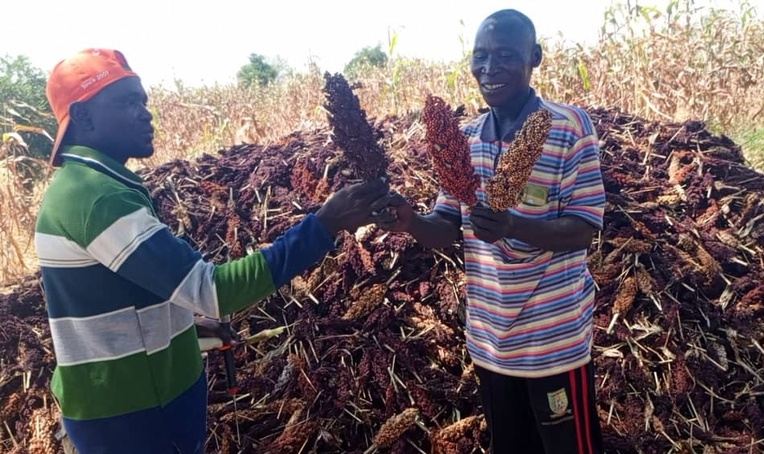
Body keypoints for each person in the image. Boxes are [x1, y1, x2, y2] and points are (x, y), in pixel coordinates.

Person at [35, 48, 389, 454]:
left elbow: (121, 296)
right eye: (128, 102)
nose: (145, 113)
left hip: (139, 401)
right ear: (83, 117)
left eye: (144, 101)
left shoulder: (96, 187)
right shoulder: (95, 198)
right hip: (132, 417)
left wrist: (185, 326)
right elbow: (213, 291)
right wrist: (324, 225)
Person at [377, 9, 606, 454]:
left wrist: (513, 225)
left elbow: (582, 229)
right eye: (480, 56)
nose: (489, 68)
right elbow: (447, 226)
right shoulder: (464, 139)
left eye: (505, 55)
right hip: (491, 343)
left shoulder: (569, 128)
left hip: (553, 343)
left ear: (534, 57)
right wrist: (410, 221)